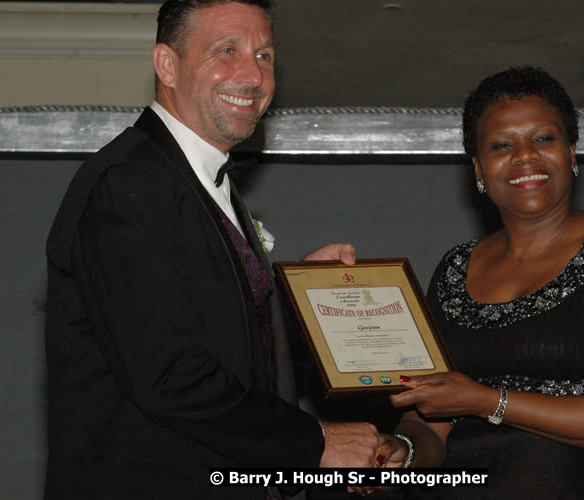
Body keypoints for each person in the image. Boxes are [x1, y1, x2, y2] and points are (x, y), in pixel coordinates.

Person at [44, 1, 388, 498]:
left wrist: (288, 297)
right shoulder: (129, 184)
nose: (252, 74)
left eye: (265, 56)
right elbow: (169, 373)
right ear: (166, 65)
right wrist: (314, 440)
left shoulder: (198, 180)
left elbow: (207, 330)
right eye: (226, 51)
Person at [383, 66, 584, 499]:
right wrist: (401, 453)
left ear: (572, 153)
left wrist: (486, 401)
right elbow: (434, 417)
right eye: (502, 145)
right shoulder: (453, 269)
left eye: (544, 138)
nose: (525, 156)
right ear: (478, 169)